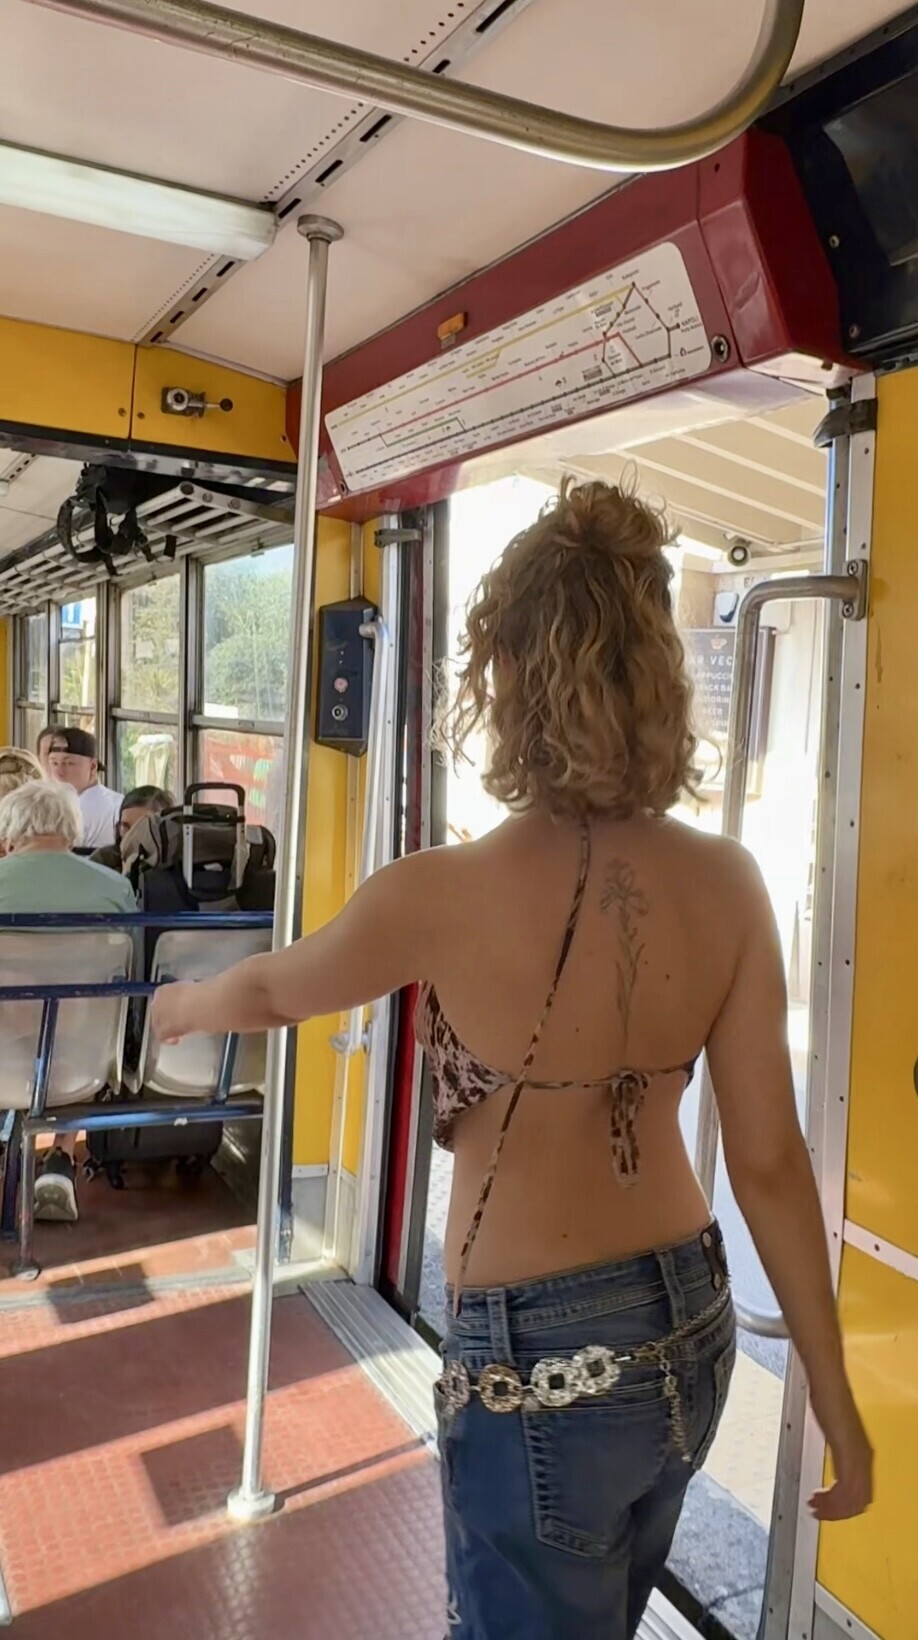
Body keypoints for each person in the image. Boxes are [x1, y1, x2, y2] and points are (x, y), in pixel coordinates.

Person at [151, 480, 872, 1638]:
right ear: (659, 669)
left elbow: (280, 986)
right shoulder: (731, 882)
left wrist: (185, 999)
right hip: (691, 1325)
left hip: (541, 1360)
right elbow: (772, 1164)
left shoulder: (440, 892)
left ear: (505, 673)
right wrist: (834, 1396)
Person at [0, 779, 136, 1223]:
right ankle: (60, 1157)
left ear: (10, 830)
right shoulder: (115, 888)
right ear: (71, 828)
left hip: (5, 1055)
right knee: (77, 1020)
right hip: (82, 1061)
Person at [46, 727, 122, 849]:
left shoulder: (70, 812)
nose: (59, 772)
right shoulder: (119, 801)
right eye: (54, 763)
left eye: (69, 763)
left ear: (92, 767)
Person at [90, 784, 175, 874]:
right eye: (125, 827)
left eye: (141, 828)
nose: (130, 836)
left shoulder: (175, 868)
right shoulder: (102, 861)